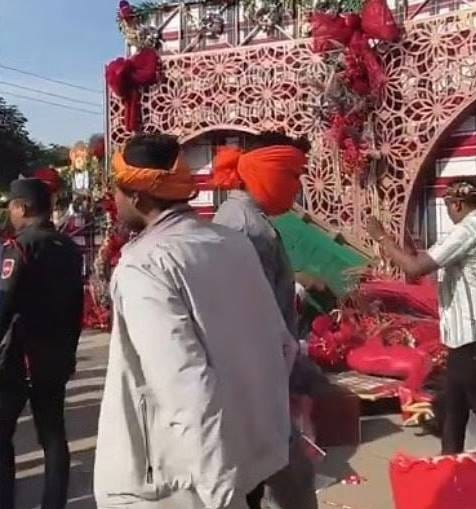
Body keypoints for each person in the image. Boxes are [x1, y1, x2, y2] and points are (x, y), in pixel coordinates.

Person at [94, 134, 296, 509]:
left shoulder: (145, 265)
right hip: (249, 455)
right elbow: (282, 345)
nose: (114, 202)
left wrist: (220, 491)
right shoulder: (232, 242)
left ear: (137, 197)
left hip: (189, 480)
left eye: (116, 192)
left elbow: (183, 383)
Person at [366, 180, 476, 509]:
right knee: (453, 403)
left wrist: (381, 237)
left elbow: (415, 267)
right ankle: (449, 470)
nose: (449, 214)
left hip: (472, 334)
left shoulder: (469, 230)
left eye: (449, 207)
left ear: (458, 205)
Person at [212, 132, 320, 509]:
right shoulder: (247, 229)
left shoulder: (246, 220)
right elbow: (247, 312)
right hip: (254, 373)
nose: (297, 186)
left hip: (260, 371)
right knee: (285, 481)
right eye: (291, 175)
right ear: (266, 172)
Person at [0, 178, 84, 509]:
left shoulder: (20, 247)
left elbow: (4, 306)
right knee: (53, 436)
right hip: (57, 354)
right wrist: (70, 352)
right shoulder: (69, 248)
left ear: (22, 207)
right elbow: (77, 307)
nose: (10, 213)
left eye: (11, 207)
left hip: (20, 357)